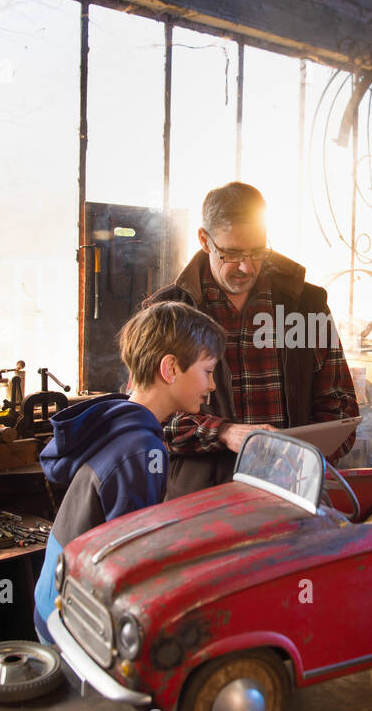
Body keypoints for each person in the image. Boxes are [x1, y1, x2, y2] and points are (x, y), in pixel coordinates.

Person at [146, 181, 359, 499]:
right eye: (231, 254)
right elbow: (149, 418)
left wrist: (304, 455)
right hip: (201, 501)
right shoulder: (170, 313)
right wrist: (226, 433)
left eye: (258, 251)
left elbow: (341, 406)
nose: (247, 266)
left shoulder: (305, 305)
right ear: (205, 240)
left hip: (292, 493)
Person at [31, 301, 225, 643]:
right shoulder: (140, 449)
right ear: (170, 370)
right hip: (72, 622)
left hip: (52, 601)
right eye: (208, 371)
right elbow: (129, 569)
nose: (211, 386)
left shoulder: (118, 422)